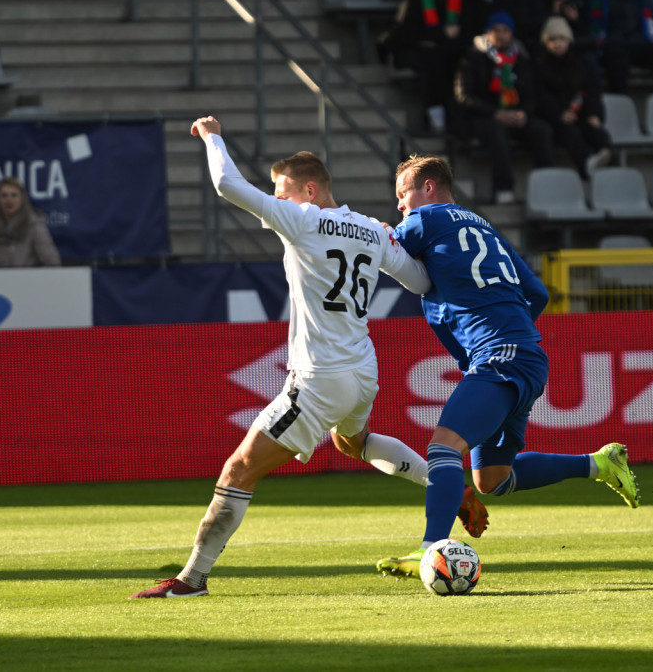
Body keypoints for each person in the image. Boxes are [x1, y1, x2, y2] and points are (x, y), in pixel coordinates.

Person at [128, 117, 488, 599]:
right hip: (363, 369)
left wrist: (213, 135)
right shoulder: (371, 229)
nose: (275, 202)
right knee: (352, 443)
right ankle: (446, 483)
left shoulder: (300, 219)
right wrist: (392, 239)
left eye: (282, 192)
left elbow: (225, 184)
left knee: (238, 471)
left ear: (310, 189)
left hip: (320, 377)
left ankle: (190, 580)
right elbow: (421, 282)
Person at [374, 154, 639, 579]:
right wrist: (504, 322)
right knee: (492, 480)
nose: (401, 206)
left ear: (427, 188)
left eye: (403, 195)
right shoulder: (484, 227)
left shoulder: (427, 219)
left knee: (443, 447)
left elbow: (382, 246)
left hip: (500, 356)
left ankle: (429, 550)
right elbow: (537, 292)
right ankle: (599, 464)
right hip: (525, 355)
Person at [453, 11, 554, 204]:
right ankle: (503, 188)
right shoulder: (473, 56)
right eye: (495, 30)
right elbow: (464, 95)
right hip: (482, 117)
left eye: (505, 30)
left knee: (542, 131)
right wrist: (495, 113)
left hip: (514, 114)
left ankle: (545, 189)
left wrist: (524, 112)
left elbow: (532, 94)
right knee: (496, 131)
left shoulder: (520, 58)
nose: (500, 34)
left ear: (512, 34)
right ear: (487, 32)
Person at [377, 0, 479, 133]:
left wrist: (442, 39)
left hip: (453, 52)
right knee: (433, 61)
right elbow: (405, 33)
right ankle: (435, 113)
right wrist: (441, 34)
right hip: (420, 54)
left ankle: (462, 122)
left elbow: (467, 33)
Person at [534, 15, 613, 179]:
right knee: (570, 132)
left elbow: (592, 91)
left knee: (598, 133)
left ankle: (611, 169)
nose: (557, 43)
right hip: (555, 120)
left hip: (581, 114)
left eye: (562, 38)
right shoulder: (538, 65)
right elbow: (540, 97)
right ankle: (586, 164)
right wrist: (559, 114)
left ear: (569, 40)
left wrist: (594, 114)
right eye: (552, 39)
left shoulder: (580, 63)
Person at [585, 0, 653, 94]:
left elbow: (650, 28)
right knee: (618, 58)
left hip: (638, 45)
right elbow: (596, 31)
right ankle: (620, 99)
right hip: (612, 47)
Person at [0, 177, 61, 267]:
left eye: (14, 195)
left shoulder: (35, 227)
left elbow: (53, 263)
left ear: (22, 199)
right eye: (4, 195)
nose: (9, 200)